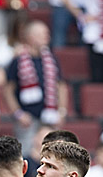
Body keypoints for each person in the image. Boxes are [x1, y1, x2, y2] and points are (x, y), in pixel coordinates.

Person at [5, 20, 67, 151]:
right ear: (31, 37)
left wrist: (61, 111)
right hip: (28, 118)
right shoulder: (18, 60)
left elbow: (61, 86)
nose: (47, 37)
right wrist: (18, 113)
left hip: (50, 116)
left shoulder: (52, 59)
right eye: (42, 34)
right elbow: (8, 89)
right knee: (27, 151)